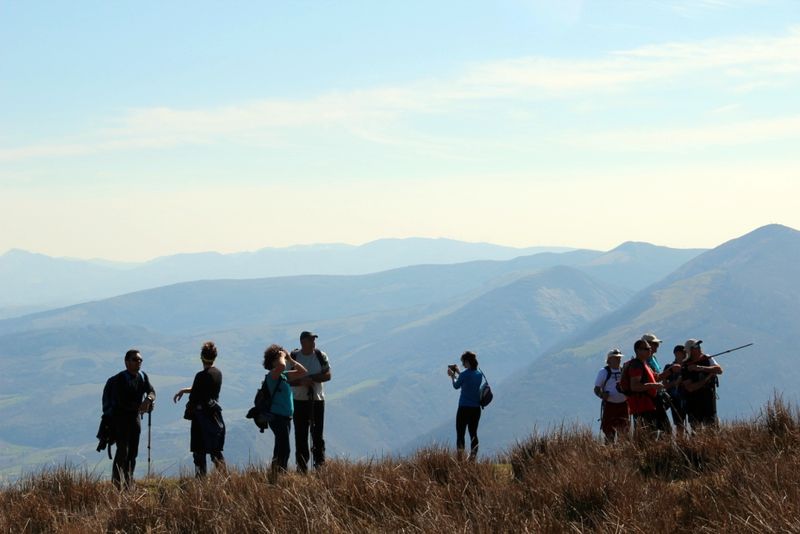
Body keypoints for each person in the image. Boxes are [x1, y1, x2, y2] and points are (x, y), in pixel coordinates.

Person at [102, 349, 156, 489]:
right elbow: (121, 402)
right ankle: (117, 484)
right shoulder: (119, 380)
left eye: (140, 360)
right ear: (126, 362)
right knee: (123, 451)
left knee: (133, 452)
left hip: (134, 420)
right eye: (135, 360)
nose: (139, 362)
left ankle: (128, 482)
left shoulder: (142, 377)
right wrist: (141, 406)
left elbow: (151, 391)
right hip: (120, 420)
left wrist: (148, 400)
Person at [173, 341, 226, 477]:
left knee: (199, 451)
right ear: (215, 357)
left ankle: (200, 480)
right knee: (215, 450)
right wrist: (184, 390)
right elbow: (203, 390)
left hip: (200, 417)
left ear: (201, 357)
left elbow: (195, 396)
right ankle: (225, 477)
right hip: (214, 416)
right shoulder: (218, 373)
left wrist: (188, 405)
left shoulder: (200, 376)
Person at [288, 331, 331, 473]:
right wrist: (302, 382)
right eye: (310, 340)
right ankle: (302, 467)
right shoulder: (294, 358)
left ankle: (320, 465)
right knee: (301, 436)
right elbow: (286, 379)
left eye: (314, 340)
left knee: (317, 434)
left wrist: (311, 379)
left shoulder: (320, 355)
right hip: (299, 401)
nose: (314, 343)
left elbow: (328, 375)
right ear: (302, 342)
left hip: (317, 400)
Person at [263, 344, 307, 475]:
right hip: (277, 417)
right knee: (284, 449)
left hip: (285, 418)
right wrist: (282, 356)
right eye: (277, 358)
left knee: (279, 448)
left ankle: (275, 474)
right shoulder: (272, 376)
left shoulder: (283, 376)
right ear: (273, 361)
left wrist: (290, 359)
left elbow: (303, 372)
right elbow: (281, 366)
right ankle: (280, 475)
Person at [627, 339, 671, 437]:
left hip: (650, 404)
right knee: (650, 434)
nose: (650, 350)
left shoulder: (644, 363)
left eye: (650, 348)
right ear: (638, 351)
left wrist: (670, 371)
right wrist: (653, 385)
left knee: (661, 431)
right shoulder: (636, 366)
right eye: (647, 348)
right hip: (643, 406)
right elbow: (634, 386)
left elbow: (655, 377)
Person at [447, 351, 484, 460]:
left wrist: (452, 375)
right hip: (476, 409)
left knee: (460, 433)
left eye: (463, 362)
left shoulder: (464, 374)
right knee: (473, 433)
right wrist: (459, 372)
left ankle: (460, 459)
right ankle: (473, 458)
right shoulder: (479, 374)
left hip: (464, 408)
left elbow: (456, 385)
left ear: (467, 362)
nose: (463, 364)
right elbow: (468, 379)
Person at [682, 339, 723, 430]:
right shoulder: (685, 366)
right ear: (690, 350)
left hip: (709, 401)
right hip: (693, 403)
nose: (699, 348)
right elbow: (690, 388)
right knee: (696, 430)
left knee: (712, 428)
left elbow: (719, 370)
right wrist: (707, 378)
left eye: (699, 346)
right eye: (696, 346)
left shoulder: (707, 358)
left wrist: (701, 368)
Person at [593, 349, 629, 442]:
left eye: (619, 358)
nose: (618, 360)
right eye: (616, 358)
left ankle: (621, 449)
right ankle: (610, 449)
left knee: (624, 432)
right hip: (610, 405)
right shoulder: (604, 372)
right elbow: (596, 389)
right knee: (609, 432)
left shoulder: (624, 370)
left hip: (623, 405)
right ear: (609, 360)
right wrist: (602, 395)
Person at [663, 345, 687, 435]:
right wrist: (675, 383)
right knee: (679, 423)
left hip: (688, 397)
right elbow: (664, 385)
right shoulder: (669, 367)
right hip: (675, 399)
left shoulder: (687, 366)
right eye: (683, 352)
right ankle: (680, 440)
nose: (685, 354)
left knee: (691, 422)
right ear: (677, 353)